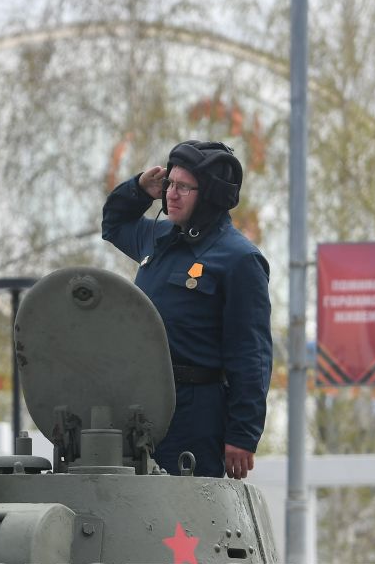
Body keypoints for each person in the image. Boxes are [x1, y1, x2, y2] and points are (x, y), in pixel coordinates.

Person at [101, 140, 271, 480]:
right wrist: (138, 189)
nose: (171, 196)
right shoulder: (160, 238)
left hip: (194, 413)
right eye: (169, 185)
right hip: (140, 405)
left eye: (183, 187)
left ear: (208, 195)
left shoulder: (239, 260)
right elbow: (114, 224)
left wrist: (243, 433)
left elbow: (250, 354)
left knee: (184, 528)